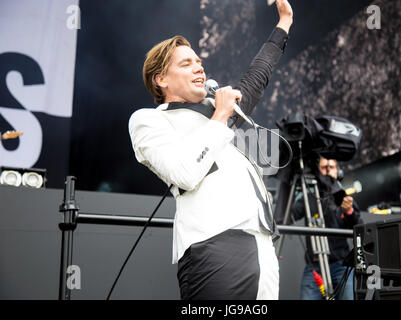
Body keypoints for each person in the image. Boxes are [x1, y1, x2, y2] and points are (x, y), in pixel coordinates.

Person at [128, 0, 293, 300]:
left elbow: (257, 76)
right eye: (186, 63)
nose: (199, 67)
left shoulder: (217, 111)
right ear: (161, 79)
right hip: (214, 244)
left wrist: (284, 23)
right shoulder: (150, 120)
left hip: (262, 246)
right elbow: (185, 174)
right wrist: (220, 115)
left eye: (199, 62)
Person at [291, 157, 362, 300]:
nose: (328, 171)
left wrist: (349, 212)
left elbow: (360, 227)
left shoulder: (344, 197)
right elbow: (290, 214)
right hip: (314, 267)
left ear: (338, 172)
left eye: (331, 167)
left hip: (341, 265)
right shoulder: (309, 197)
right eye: (324, 167)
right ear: (317, 172)